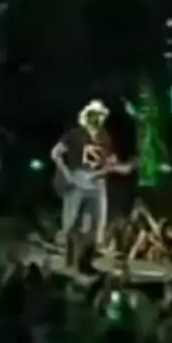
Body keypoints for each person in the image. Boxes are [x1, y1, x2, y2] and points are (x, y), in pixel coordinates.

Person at [51, 99, 133, 258]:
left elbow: (106, 160)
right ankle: (65, 246)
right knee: (70, 217)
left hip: (98, 181)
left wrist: (116, 165)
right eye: (95, 114)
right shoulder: (75, 134)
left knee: (97, 217)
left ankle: (92, 247)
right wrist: (66, 173)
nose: (98, 118)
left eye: (100, 115)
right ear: (87, 115)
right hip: (78, 178)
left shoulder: (104, 137)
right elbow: (55, 153)